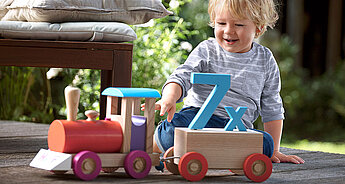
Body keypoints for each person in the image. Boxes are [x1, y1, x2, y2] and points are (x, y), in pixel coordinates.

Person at [143, 0, 304, 164]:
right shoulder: (207, 50)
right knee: (170, 131)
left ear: (259, 28)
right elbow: (181, 76)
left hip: (236, 128)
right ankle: (166, 148)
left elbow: (272, 105)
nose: (228, 30)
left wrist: (275, 150)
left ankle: (198, 152)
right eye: (221, 23)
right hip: (196, 119)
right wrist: (169, 98)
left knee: (266, 144)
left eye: (239, 25)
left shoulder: (265, 59)